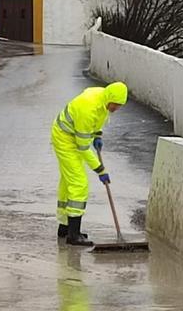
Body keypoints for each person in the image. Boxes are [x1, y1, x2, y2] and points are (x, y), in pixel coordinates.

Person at [51, 82, 128, 246]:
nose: (116, 108)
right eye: (115, 105)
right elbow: (83, 148)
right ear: (109, 98)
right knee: (79, 184)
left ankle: (64, 228)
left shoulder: (103, 99)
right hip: (65, 138)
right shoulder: (88, 108)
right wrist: (100, 170)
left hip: (74, 134)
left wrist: (97, 135)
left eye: (119, 105)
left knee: (68, 181)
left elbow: (98, 119)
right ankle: (73, 235)